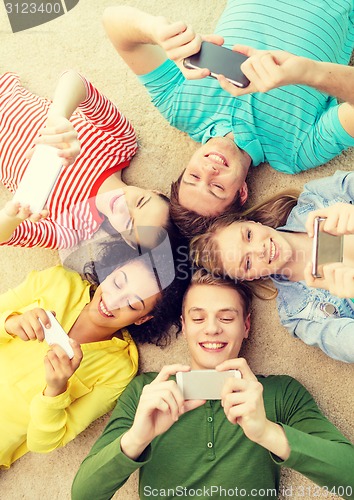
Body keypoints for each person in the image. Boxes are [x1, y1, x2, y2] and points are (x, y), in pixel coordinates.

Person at [71, 269, 354, 500]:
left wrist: (267, 432)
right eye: (198, 318)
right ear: (184, 325)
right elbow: (84, 494)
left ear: (246, 326)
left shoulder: (282, 393)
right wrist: (137, 438)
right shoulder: (147, 391)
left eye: (227, 318)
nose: (212, 328)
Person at [102, 1, 354, 237]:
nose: (209, 172)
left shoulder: (178, 109)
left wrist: (155, 30)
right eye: (217, 188)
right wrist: (306, 72)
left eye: (194, 177)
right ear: (242, 192)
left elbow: (112, 22)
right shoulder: (294, 152)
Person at [0, 234, 189, 468]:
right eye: (118, 283)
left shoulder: (118, 369)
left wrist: (56, 390)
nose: (113, 301)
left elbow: (43, 443)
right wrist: (9, 324)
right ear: (111, 270)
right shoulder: (57, 281)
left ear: (143, 319)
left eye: (132, 305)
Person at [190, 170, 354, 363]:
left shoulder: (315, 198)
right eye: (248, 263)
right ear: (249, 278)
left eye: (249, 235)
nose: (260, 250)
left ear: (252, 223)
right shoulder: (297, 315)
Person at [0, 70, 174, 249]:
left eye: (130, 225)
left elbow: (5, 236)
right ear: (154, 191)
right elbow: (76, 81)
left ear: (127, 241)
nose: (124, 208)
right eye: (140, 202)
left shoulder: (71, 229)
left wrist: (10, 216)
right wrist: (57, 117)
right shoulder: (122, 142)